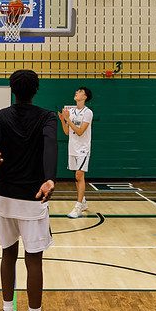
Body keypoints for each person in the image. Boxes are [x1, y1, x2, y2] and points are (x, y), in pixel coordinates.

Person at [0, 70, 58, 311]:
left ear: (11, 89)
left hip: (5, 198)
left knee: (8, 253)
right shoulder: (47, 116)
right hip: (33, 199)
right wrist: (49, 177)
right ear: (36, 89)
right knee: (34, 260)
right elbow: (50, 144)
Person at [58, 87, 93, 219]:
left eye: (79, 92)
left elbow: (79, 131)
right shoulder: (71, 111)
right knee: (77, 178)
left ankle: (78, 207)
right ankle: (83, 201)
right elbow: (67, 132)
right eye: (77, 91)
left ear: (84, 97)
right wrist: (63, 119)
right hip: (72, 148)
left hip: (83, 148)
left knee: (79, 176)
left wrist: (69, 120)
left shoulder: (88, 112)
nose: (76, 93)